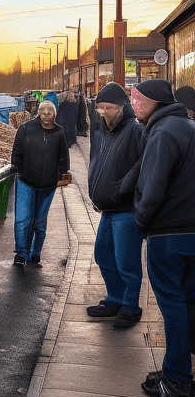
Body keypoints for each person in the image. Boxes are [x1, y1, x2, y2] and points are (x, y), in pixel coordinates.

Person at [129, 79, 195, 397]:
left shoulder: (162, 133)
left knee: (172, 307)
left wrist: (140, 223)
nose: (133, 105)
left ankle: (178, 381)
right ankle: (177, 371)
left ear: (155, 101)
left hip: (167, 236)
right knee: (187, 303)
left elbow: (152, 190)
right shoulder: (189, 126)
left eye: (137, 99)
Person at [85, 82, 145, 329]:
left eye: (108, 107)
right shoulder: (100, 130)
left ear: (123, 107)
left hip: (126, 209)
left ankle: (131, 305)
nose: (103, 112)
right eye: (100, 107)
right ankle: (115, 299)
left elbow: (144, 166)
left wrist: (123, 188)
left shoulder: (136, 131)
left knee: (126, 261)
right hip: (107, 209)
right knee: (104, 256)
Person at [10, 100, 70, 266]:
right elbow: (17, 152)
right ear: (38, 113)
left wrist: (61, 174)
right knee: (23, 219)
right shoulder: (26, 128)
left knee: (40, 221)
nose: (46, 115)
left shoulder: (59, 132)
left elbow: (63, 156)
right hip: (26, 181)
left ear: (54, 115)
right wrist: (18, 169)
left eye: (49, 112)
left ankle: (36, 253)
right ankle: (21, 253)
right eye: (43, 112)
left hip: (48, 185)